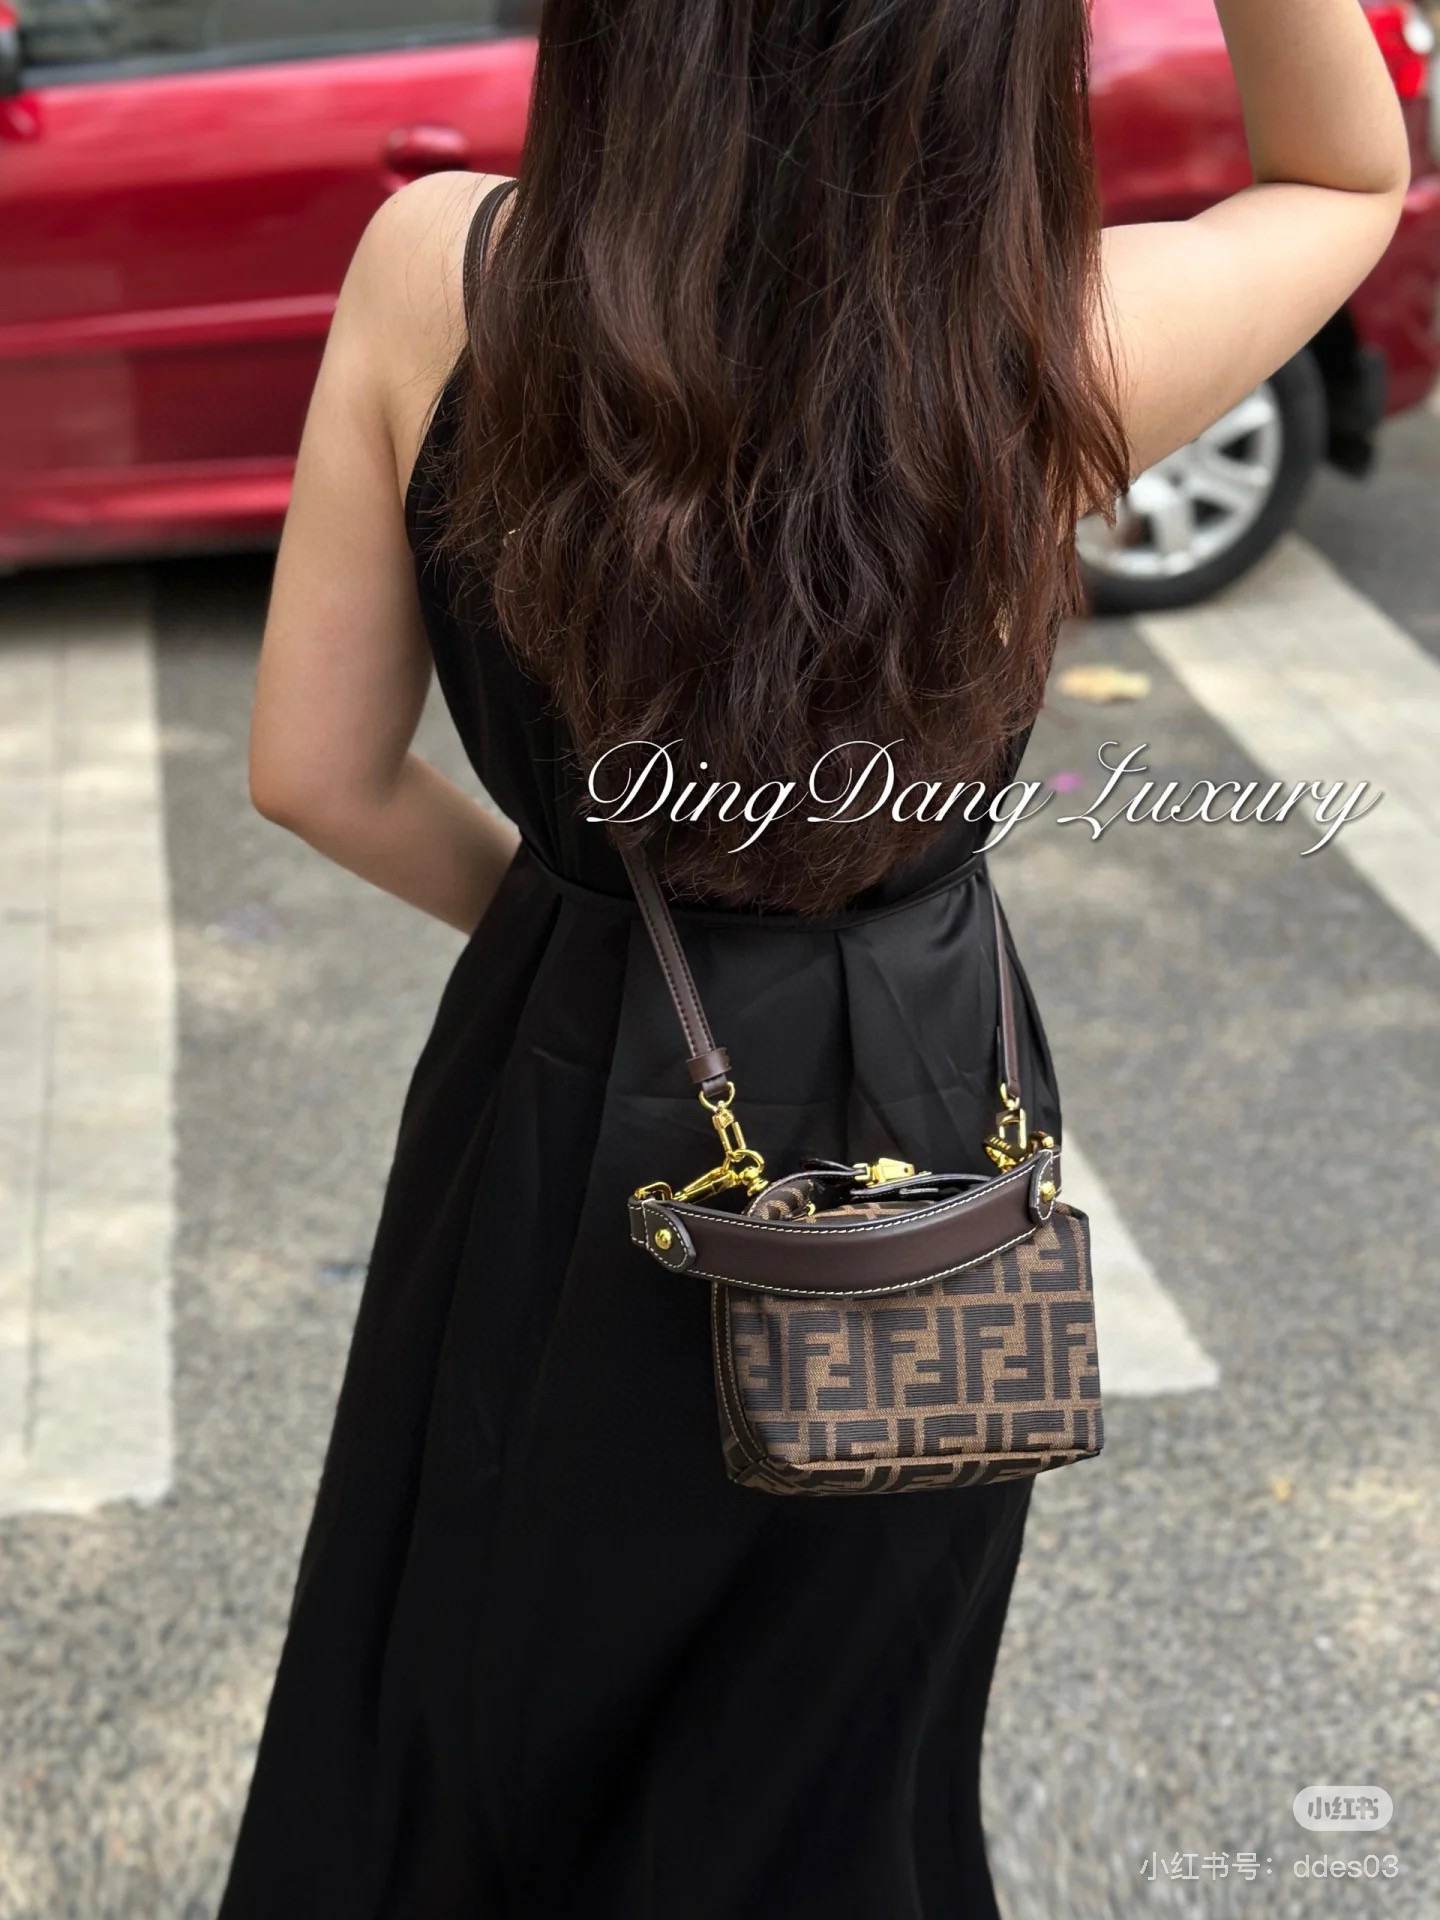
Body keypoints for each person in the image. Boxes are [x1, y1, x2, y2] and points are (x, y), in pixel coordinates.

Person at [220, 2, 1409, 1914]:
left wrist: (580, 943)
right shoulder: (1047, 340)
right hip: (925, 1079)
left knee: (491, 1673)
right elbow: (1351, 177)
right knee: (843, 1727)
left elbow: (316, 774)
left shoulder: (441, 274)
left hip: (573, 1053)